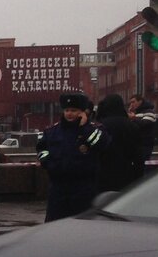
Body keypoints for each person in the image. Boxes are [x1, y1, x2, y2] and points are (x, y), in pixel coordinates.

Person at [37, 92, 108, 222]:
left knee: (82, 226)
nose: (69, 114)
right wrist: (47, 162)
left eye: (74, 110)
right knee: (55, 227)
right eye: (67, 110)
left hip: (84, 189)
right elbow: (42, 148)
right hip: (58, 188)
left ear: (82, 112)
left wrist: (85, 128)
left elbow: (101, 144)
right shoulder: (52, 131)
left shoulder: (94, 129)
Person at [95, 94, 143, 193]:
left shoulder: (100, 126)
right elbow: (138, 154)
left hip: (103, 174)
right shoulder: (132, 126)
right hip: (127, 174)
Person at [127, 94, 158, 175]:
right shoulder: (135, 113)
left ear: (140, 101)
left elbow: (145, 124)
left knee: (143, 165)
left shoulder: (149, 112)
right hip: (136, 144)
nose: (132, 105)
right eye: (130, 103)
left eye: (133, 102)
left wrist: (133, 119)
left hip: (145, 143)